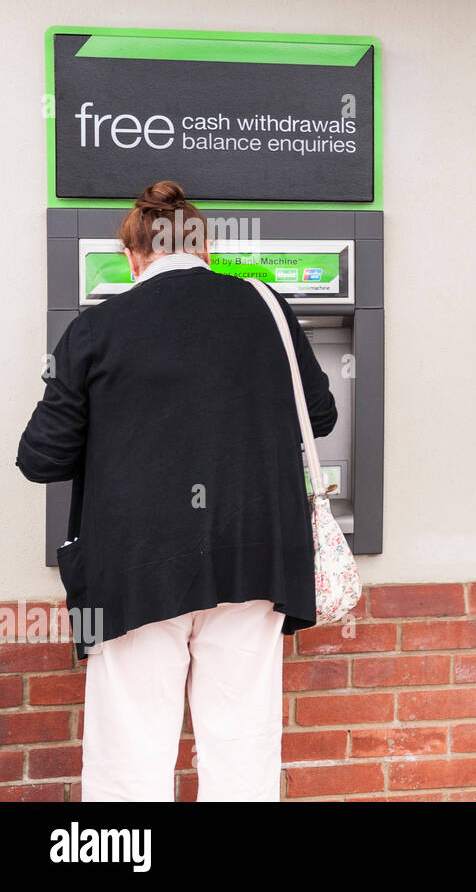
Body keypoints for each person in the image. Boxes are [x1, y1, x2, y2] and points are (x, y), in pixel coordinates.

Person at [16, 181, 337, 802]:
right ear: (205, 248)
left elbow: (41, 458)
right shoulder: (267, 308)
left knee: (130, 751)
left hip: (135, 567)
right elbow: (318, 417)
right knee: (242, 743)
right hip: (254, 558)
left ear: (132, 257)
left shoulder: (96, 328)